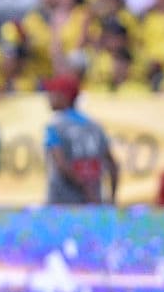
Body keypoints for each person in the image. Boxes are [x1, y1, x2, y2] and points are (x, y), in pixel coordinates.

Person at [43, 72, 119, 205]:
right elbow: (113, 165)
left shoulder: (54, 126)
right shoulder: (95, 126)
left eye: (52, 93)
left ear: (64, 97)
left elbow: (61, 164)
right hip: (95, 202)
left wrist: (84, 187)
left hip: (62, 202)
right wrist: (112, 198)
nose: (48, 97)